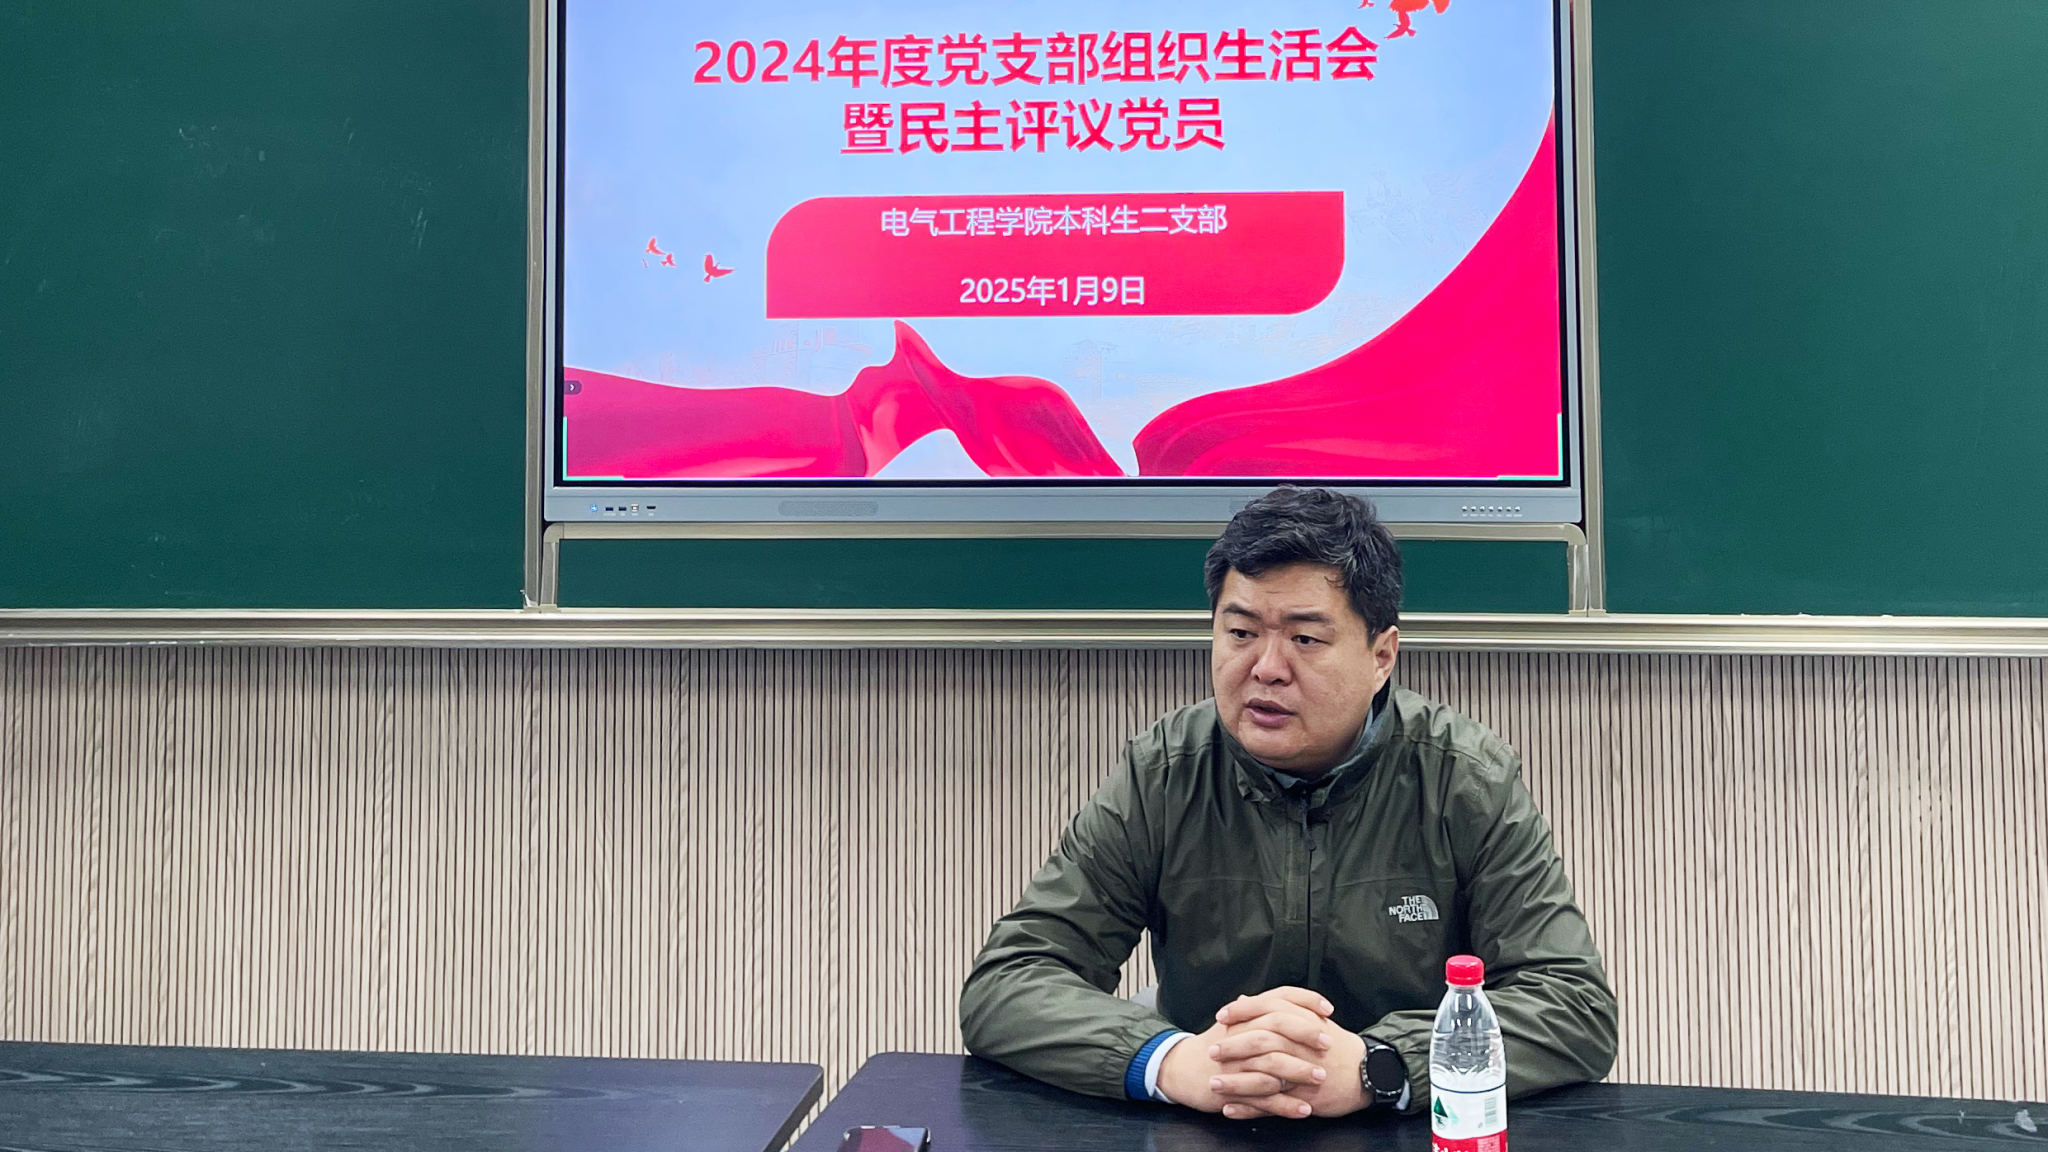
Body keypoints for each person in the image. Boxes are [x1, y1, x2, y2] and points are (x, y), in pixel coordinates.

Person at [959, 486, 1617, 1120]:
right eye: (1241, 632)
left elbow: (1573, 1007)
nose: (1266, 667)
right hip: (1210, 1120)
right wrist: (1171, 1061)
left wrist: (1382, 1065)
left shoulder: (1462, 777)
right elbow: (1009, 981)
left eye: (1305, 639)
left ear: (1382, 656)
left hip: (1403, 1125)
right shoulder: (1167, 771)